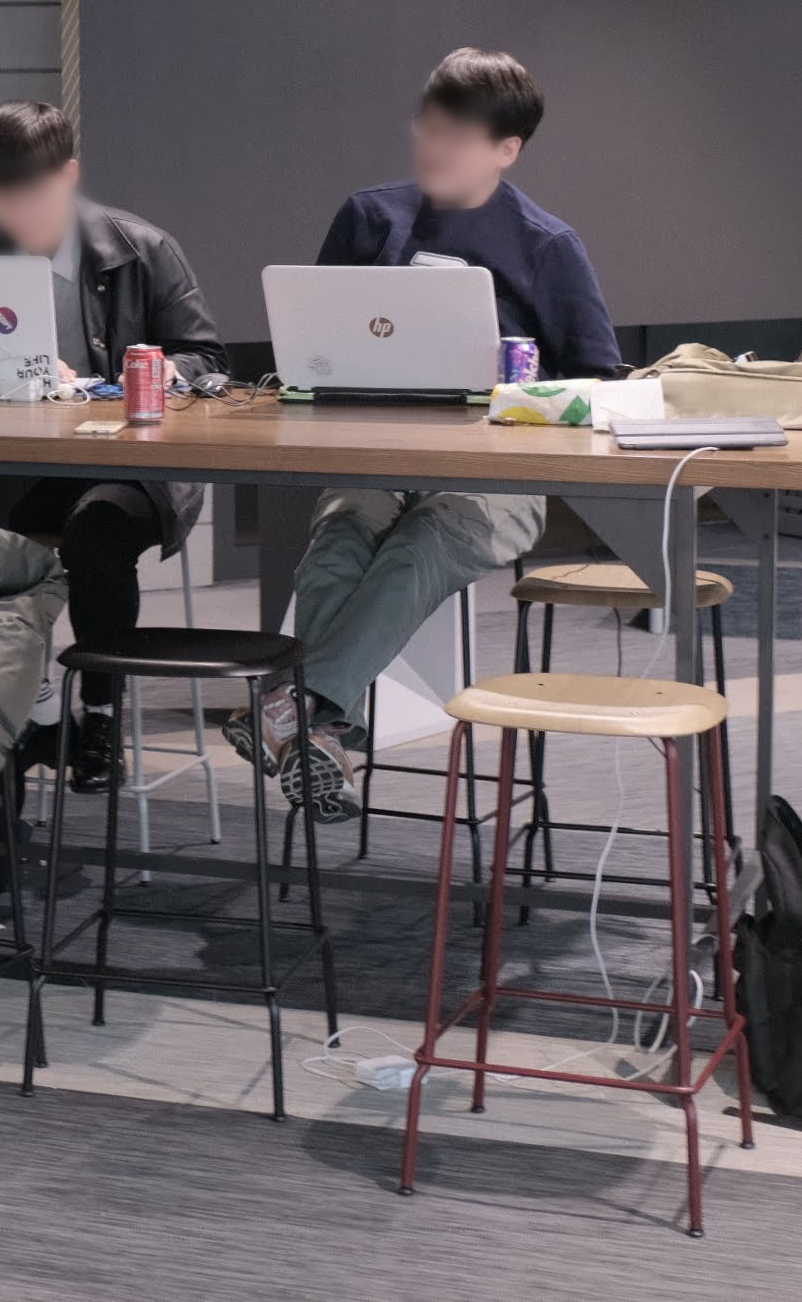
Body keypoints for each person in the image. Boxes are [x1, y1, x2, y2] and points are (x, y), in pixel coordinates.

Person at [238, 47, 624, 822]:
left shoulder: (547, 245)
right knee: (341, 538)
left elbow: (599, 382)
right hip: (375, 457)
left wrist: (519, 395)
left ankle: (294, 705)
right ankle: (324, 731)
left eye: (457, 135)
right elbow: (311, 343)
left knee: (422, 544)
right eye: (429, 126)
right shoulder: (370, 218)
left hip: (495, 477)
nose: (433, 146)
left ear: (507, 150)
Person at [0, 100, 226, 793]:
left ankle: (99, 717)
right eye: (0, 195)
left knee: (97, 533)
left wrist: (139, 375)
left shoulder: (141, 248)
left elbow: (207, 358)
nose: (15, 212)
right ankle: (22, 709)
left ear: (68, 175)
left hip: (133, 465)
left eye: (30, 193)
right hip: (20, 460)